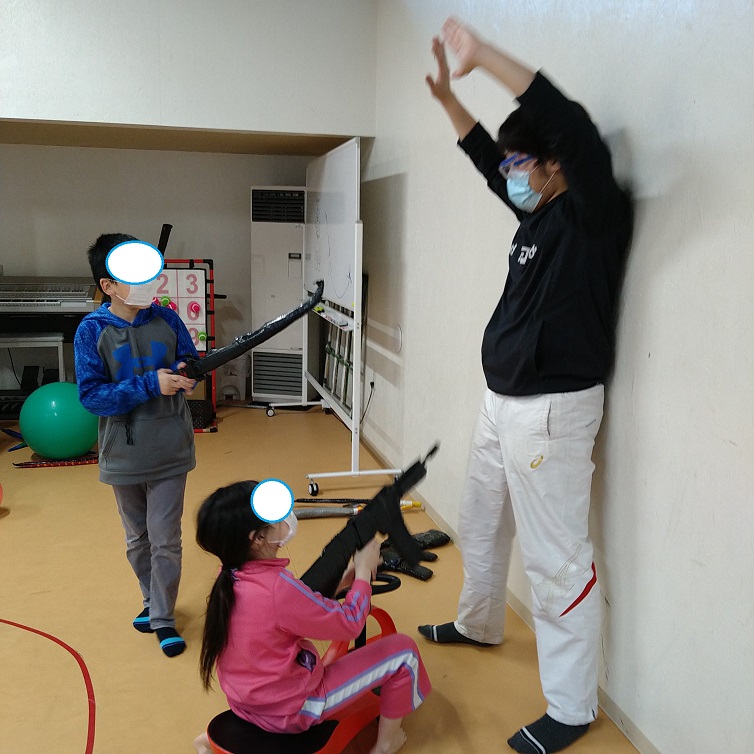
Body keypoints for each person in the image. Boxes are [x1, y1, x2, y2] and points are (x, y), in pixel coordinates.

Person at [419, 17, 633, 754]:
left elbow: (571, 124)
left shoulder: (594, 214)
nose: (509, 173)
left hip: (552, 411)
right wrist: (450, 101)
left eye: (522, 162)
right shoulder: (536, 210)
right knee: (479, 520)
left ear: (556, 165)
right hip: (500, 401)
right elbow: (486, 159)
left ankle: (572, 708)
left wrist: (484, 59)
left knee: (556, 559)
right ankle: (479, 622)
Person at [192, 480, 431, 754]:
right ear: (257, 538)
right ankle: (387, 744)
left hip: (245, 704)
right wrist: (364, 573)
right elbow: (351, 624)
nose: (285, 519)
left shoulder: (228, 577)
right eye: (274, 517)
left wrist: (342, 583)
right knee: (404, 651)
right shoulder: (278, 588)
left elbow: (285, 613)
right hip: (291, 710)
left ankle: (206, 741)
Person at [74, 233, 198, 657]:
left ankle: (162, 617)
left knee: (165, 538)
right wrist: (151, 384)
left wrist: (187, 373)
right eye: (132, 275)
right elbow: (92, 396)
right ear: (107, 285)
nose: (147, 283)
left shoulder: (167, 319)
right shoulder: (92, 331)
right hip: (123, 455)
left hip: (171, 449)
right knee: (138, 539)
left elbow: (190, 361)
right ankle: (151, 598)